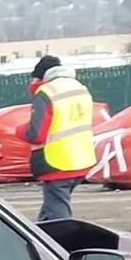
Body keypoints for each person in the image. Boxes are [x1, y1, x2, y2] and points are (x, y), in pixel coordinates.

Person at [20, 55, 96, 223]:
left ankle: (63, 239)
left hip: (56, 161)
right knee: (51, 210)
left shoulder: (46, 93)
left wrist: (20, 131)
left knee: (58, 218)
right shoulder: (80, 88)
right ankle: (40, 234)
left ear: (41, 76)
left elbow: (36, 135)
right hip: (81, 159)